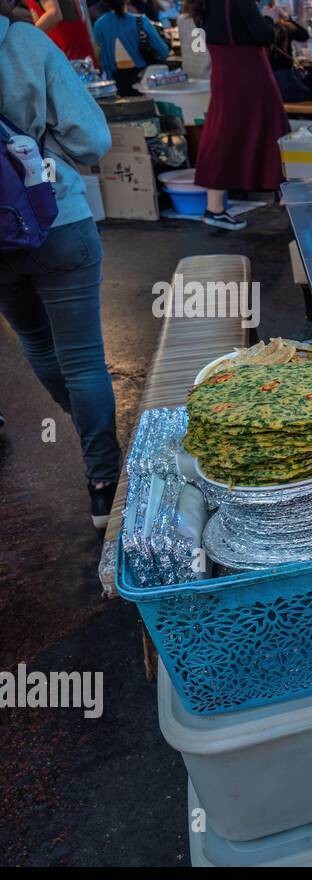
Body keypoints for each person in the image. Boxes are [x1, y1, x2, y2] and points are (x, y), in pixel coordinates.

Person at [0, 1, 122, 528]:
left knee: (38, 342)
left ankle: (87, 424)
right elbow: (92, 142)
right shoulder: (25, 44)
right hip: (55, 218)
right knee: (83, 358)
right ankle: (103, 481)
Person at [186, 0, 288, 230]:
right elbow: (264, 36)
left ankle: (214, 208)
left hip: (224, 74)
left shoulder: (200, 4)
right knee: (273, 129)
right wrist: (269, 17)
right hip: (250, 73)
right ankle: (286, 194)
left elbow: (204, 39)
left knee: (222, 135)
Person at [91, 0, 169, 95]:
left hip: (116, 83)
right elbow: (164, 52)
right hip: (144, 79)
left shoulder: (99, 25)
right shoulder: (140, 21)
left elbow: (99, 56)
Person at [261, 0, 309, 102]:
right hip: (282, 79)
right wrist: (269, 19)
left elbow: (304, 36)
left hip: (277, 79)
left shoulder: (283, 27)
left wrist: (287, 17)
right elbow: (268, 38)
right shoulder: (273, 28)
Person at [24, 0, 97, 60]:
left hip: (67, 46)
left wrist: (25, 40)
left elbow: (54, 14)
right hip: (77, 42)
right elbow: (78, 10)